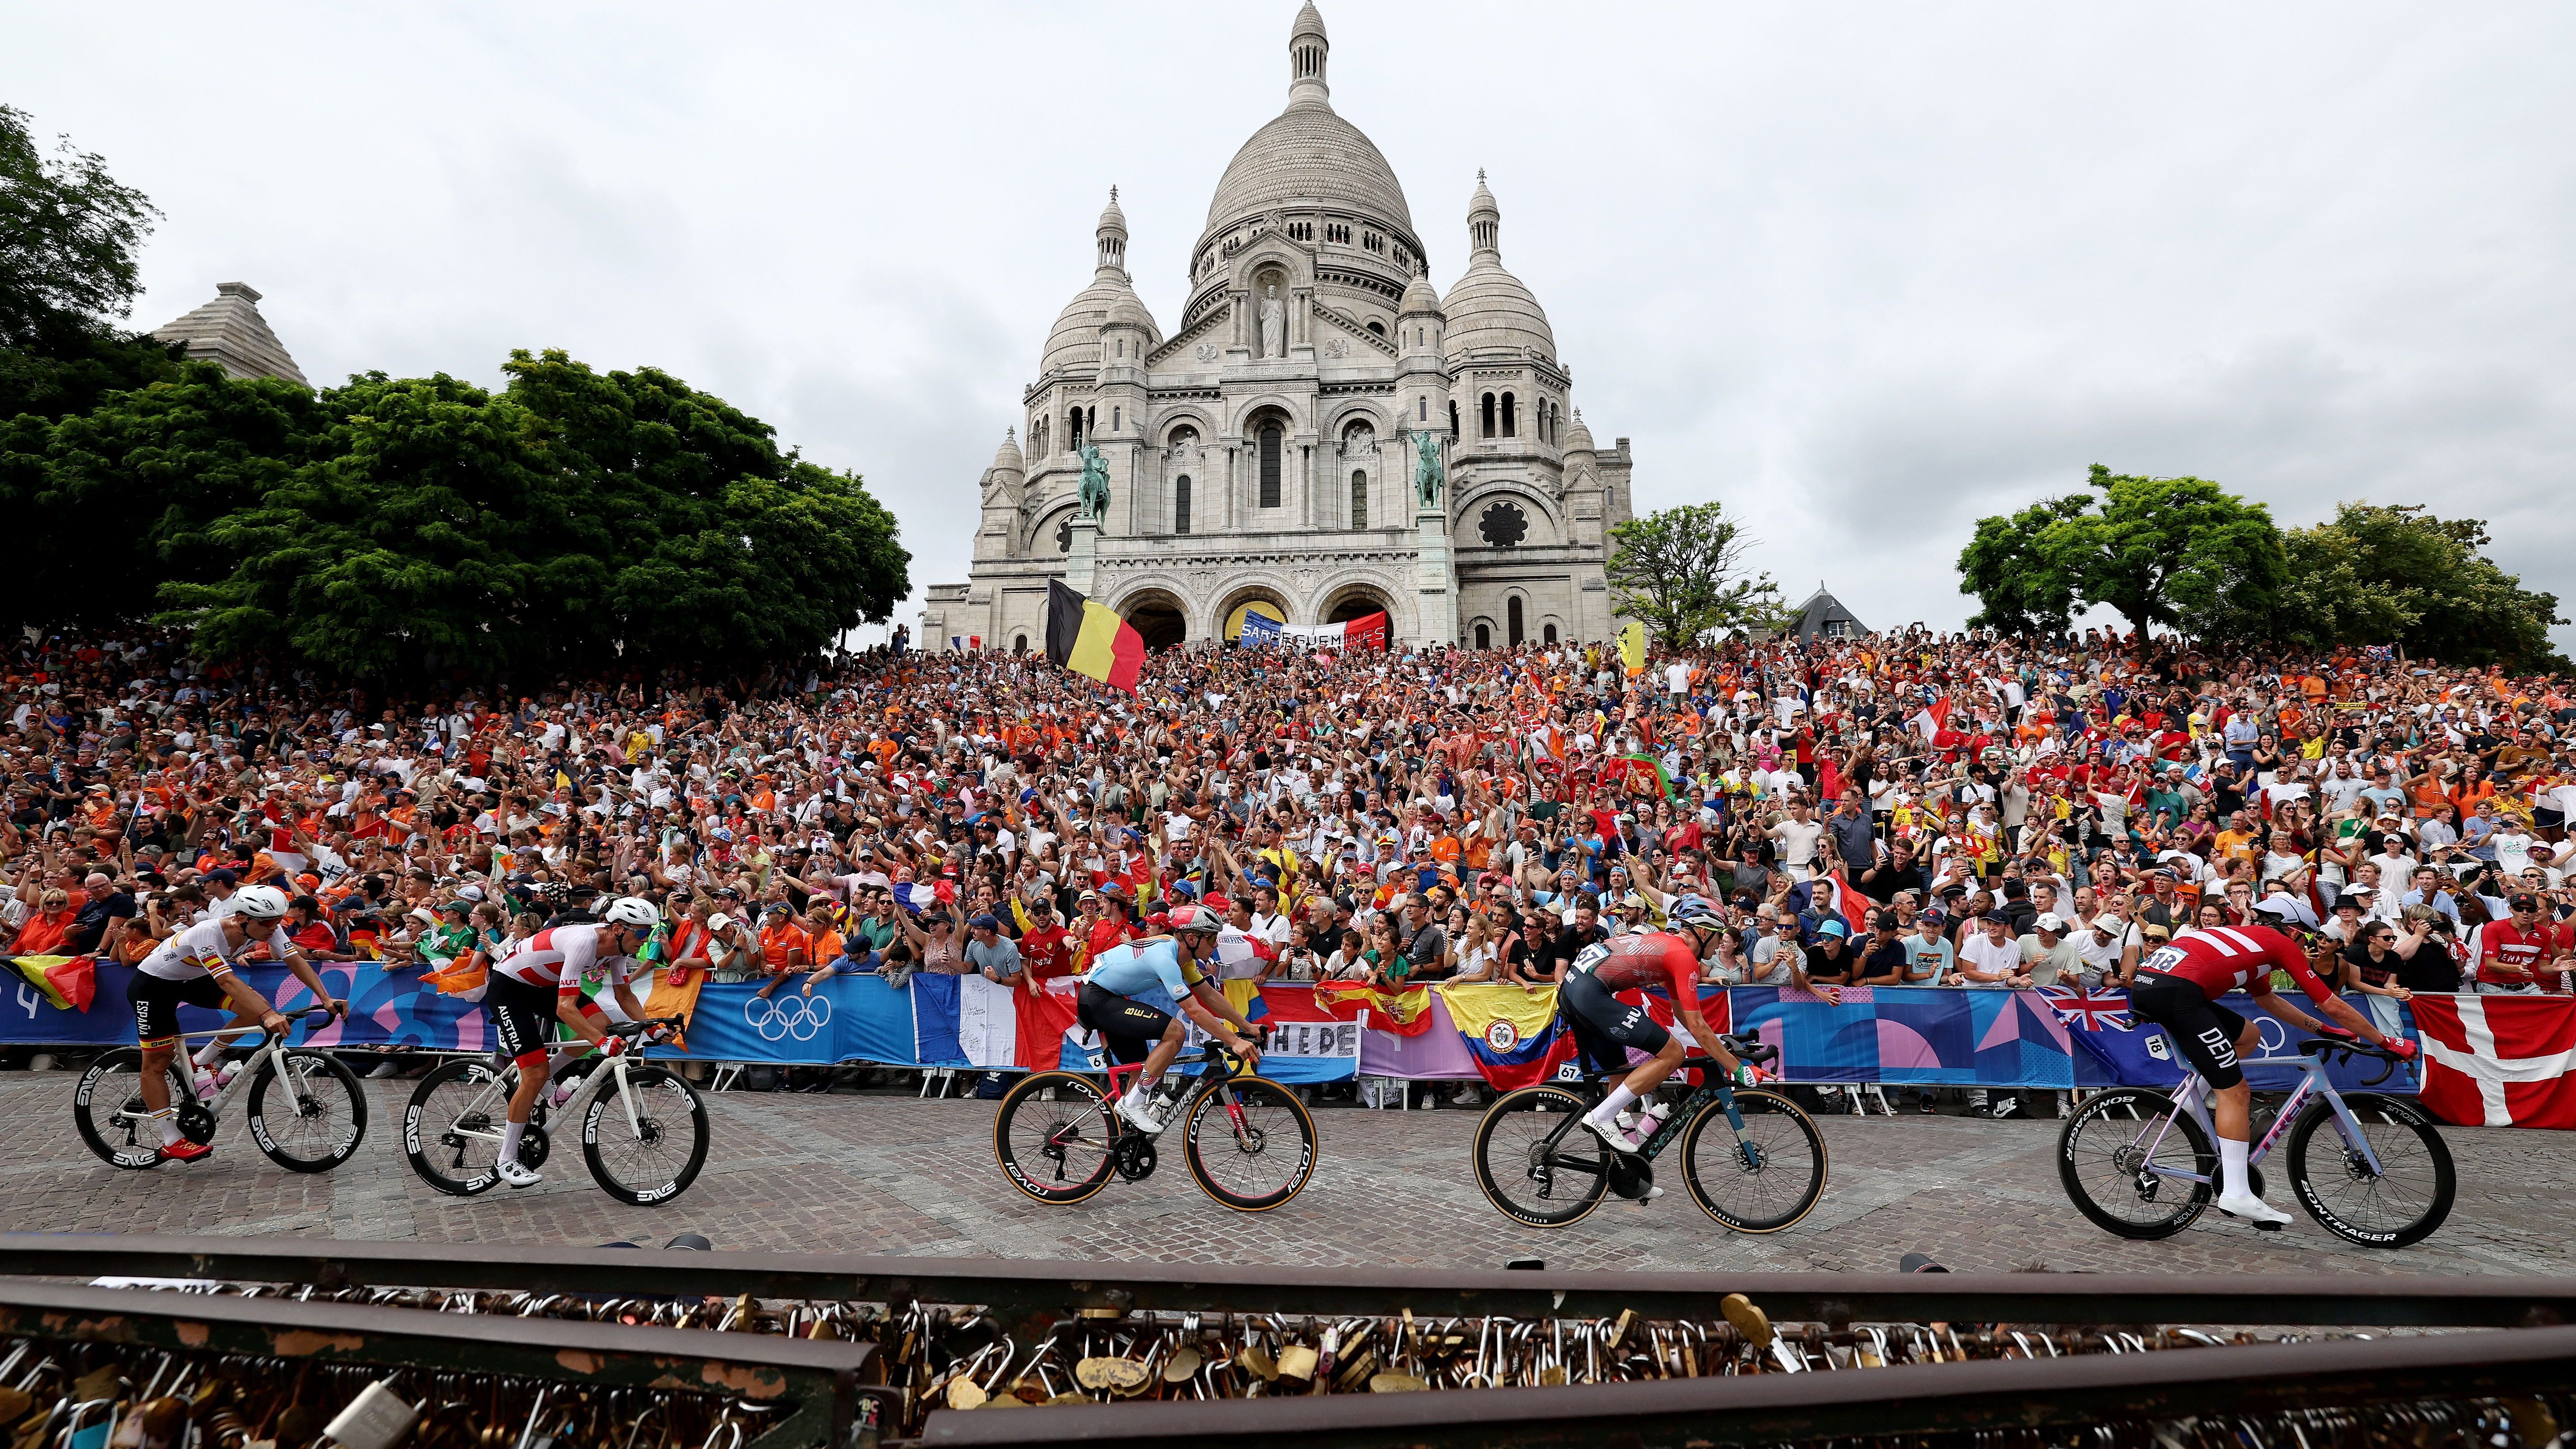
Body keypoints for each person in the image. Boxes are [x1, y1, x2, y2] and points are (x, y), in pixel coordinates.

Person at [2125, 902, 2416, 1227]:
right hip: (2178, 992)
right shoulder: (2277, 943)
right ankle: (2236, 1192)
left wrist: (2327, 1030)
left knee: (2249, 1036)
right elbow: (2332, 1003)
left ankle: (2187, 1105)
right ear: (2292, 929)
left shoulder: (2253, 945)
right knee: (2235, 1092)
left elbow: (2268, 1001)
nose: (2308, 945)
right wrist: (2388, 1041)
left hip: (2155, 985)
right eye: (2307, 937)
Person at [128, 884, 348, 1164]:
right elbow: (226, 980)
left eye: (279, 921)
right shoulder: (208, 931)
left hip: (193, 981)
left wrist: (326, 997)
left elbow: (295, 961)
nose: (274, 927)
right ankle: (171, 1139)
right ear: (243, 919)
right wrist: (269, 1012)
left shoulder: (268, 928)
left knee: (254, 1010)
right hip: (154, 986)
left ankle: (201, 1060)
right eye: (268, 922)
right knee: (157, 1063)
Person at [481, 895, 664, 1188]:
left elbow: (625, 996)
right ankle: (506, 1160)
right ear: (618, 929)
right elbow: (565, 1009)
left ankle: (547, 1078)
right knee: (535, 1072)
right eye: (642, 933)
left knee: (602, 1024)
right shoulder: (584, 942)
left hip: (544, 985)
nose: (645, 940)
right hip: (510, 988)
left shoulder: (618, 951)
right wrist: (602, 1043)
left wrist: (652, 1028)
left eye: (649, 933)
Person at [1559, 899, 1751, 1156]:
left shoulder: (1669, 946)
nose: (1718, 948)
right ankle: (1601, 1117)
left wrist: (1718, 1042)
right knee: (1673, 1054)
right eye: (1718, 938)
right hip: (1590, 994)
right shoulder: (1683, 956)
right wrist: (1739, 1069)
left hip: (1576, 991)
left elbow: (1684, 1017)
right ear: (1704, 933)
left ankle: (1626, 1166)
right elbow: (1696, 1024)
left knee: (1619, 1072)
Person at [1074, 904, 1263, 1134]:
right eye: (1212, 938)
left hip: (1105, 997)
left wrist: (1247, 1026)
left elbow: (1209, 995)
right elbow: (1193, 1011)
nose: (1215, 945)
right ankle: (1132, 1105)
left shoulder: (1182, 958)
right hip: (1097, 999)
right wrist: (1234, 1041)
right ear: (1192, 939)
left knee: (1143, 1071)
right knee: (1176, 1032)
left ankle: (1127, 1140)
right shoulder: (1165, 957)